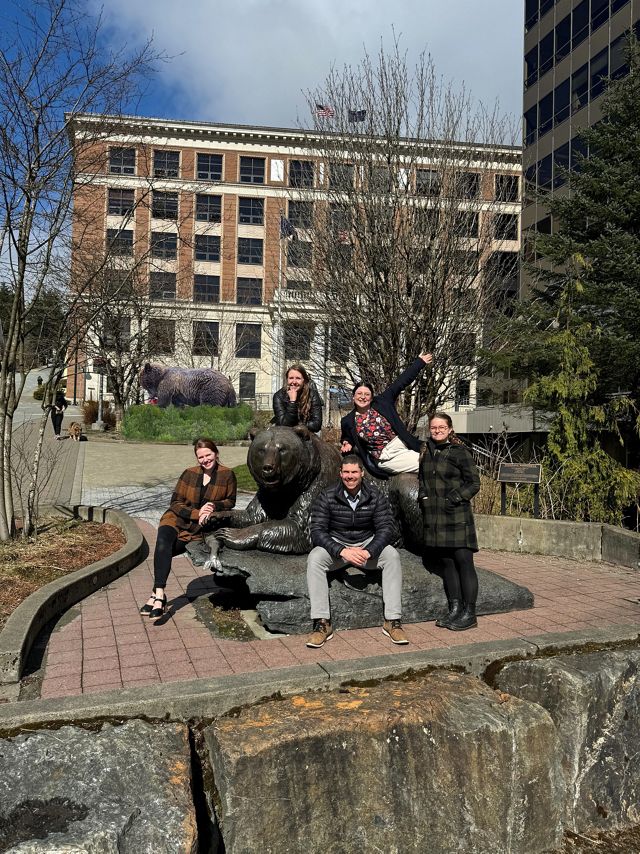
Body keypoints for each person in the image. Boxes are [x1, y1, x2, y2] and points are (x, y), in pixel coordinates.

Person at [305, 454, 408, 648]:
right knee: (315, 558)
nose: (350, 476)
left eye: (354, 472)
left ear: (362, 473)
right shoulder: (327, 495)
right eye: (346, 472)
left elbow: (386, 528)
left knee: (392, 556)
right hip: (339, 547)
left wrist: (370, 551)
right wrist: (341, 550)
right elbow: (317, 530)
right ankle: (322, 623)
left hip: (366, 546)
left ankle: (392, 621)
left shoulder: (375, 495)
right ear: (340, 473)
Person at [139, 438, 237, 621]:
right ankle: (160, 595)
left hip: (195, 530)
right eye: (200, 457)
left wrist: (213, 506)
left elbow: (230, 501)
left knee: (167, 551)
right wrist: (196, 512)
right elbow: (175, 503)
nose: (205, 460)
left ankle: (154, 595)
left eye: (208, 455)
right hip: (175, 519)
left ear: (216, 453)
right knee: (162, 544)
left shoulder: (227, 475)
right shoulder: (189, 474)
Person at [419, 412, 481, 631]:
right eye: (433, 428)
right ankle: (455, 609)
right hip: (436, 518)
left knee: (464, 561)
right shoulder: (426, 452)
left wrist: (454, 498)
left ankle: (470, 613)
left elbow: (474, 483)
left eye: (441, 428)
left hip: (457, 516)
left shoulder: (460, 452)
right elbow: (423, 481)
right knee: (447, 565)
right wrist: (423, 497)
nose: (437, 431)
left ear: (450, 429)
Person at [340, 353, 433, 478]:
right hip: (386, 456)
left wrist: (419, 362)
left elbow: (400, 382)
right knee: (430, 463)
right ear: (353, 397)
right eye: (359, 394)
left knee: (440, 455)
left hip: (403, 443)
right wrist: (347, 442)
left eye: (367, 394)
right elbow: (347, 436)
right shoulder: (347, 420)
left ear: (372, 397)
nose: (363, 397)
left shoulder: (383, 401)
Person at [272, 364, 323, 432]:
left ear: (304, 380)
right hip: (284, 434)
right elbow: (283, 424)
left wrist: (299, 426)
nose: (294, 382)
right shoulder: (279, 396)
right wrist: (292, 402)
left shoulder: (313, 395)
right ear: (287, 379)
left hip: (307, 433)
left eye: (298, 378)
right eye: (291, 378)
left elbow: (316, 425)